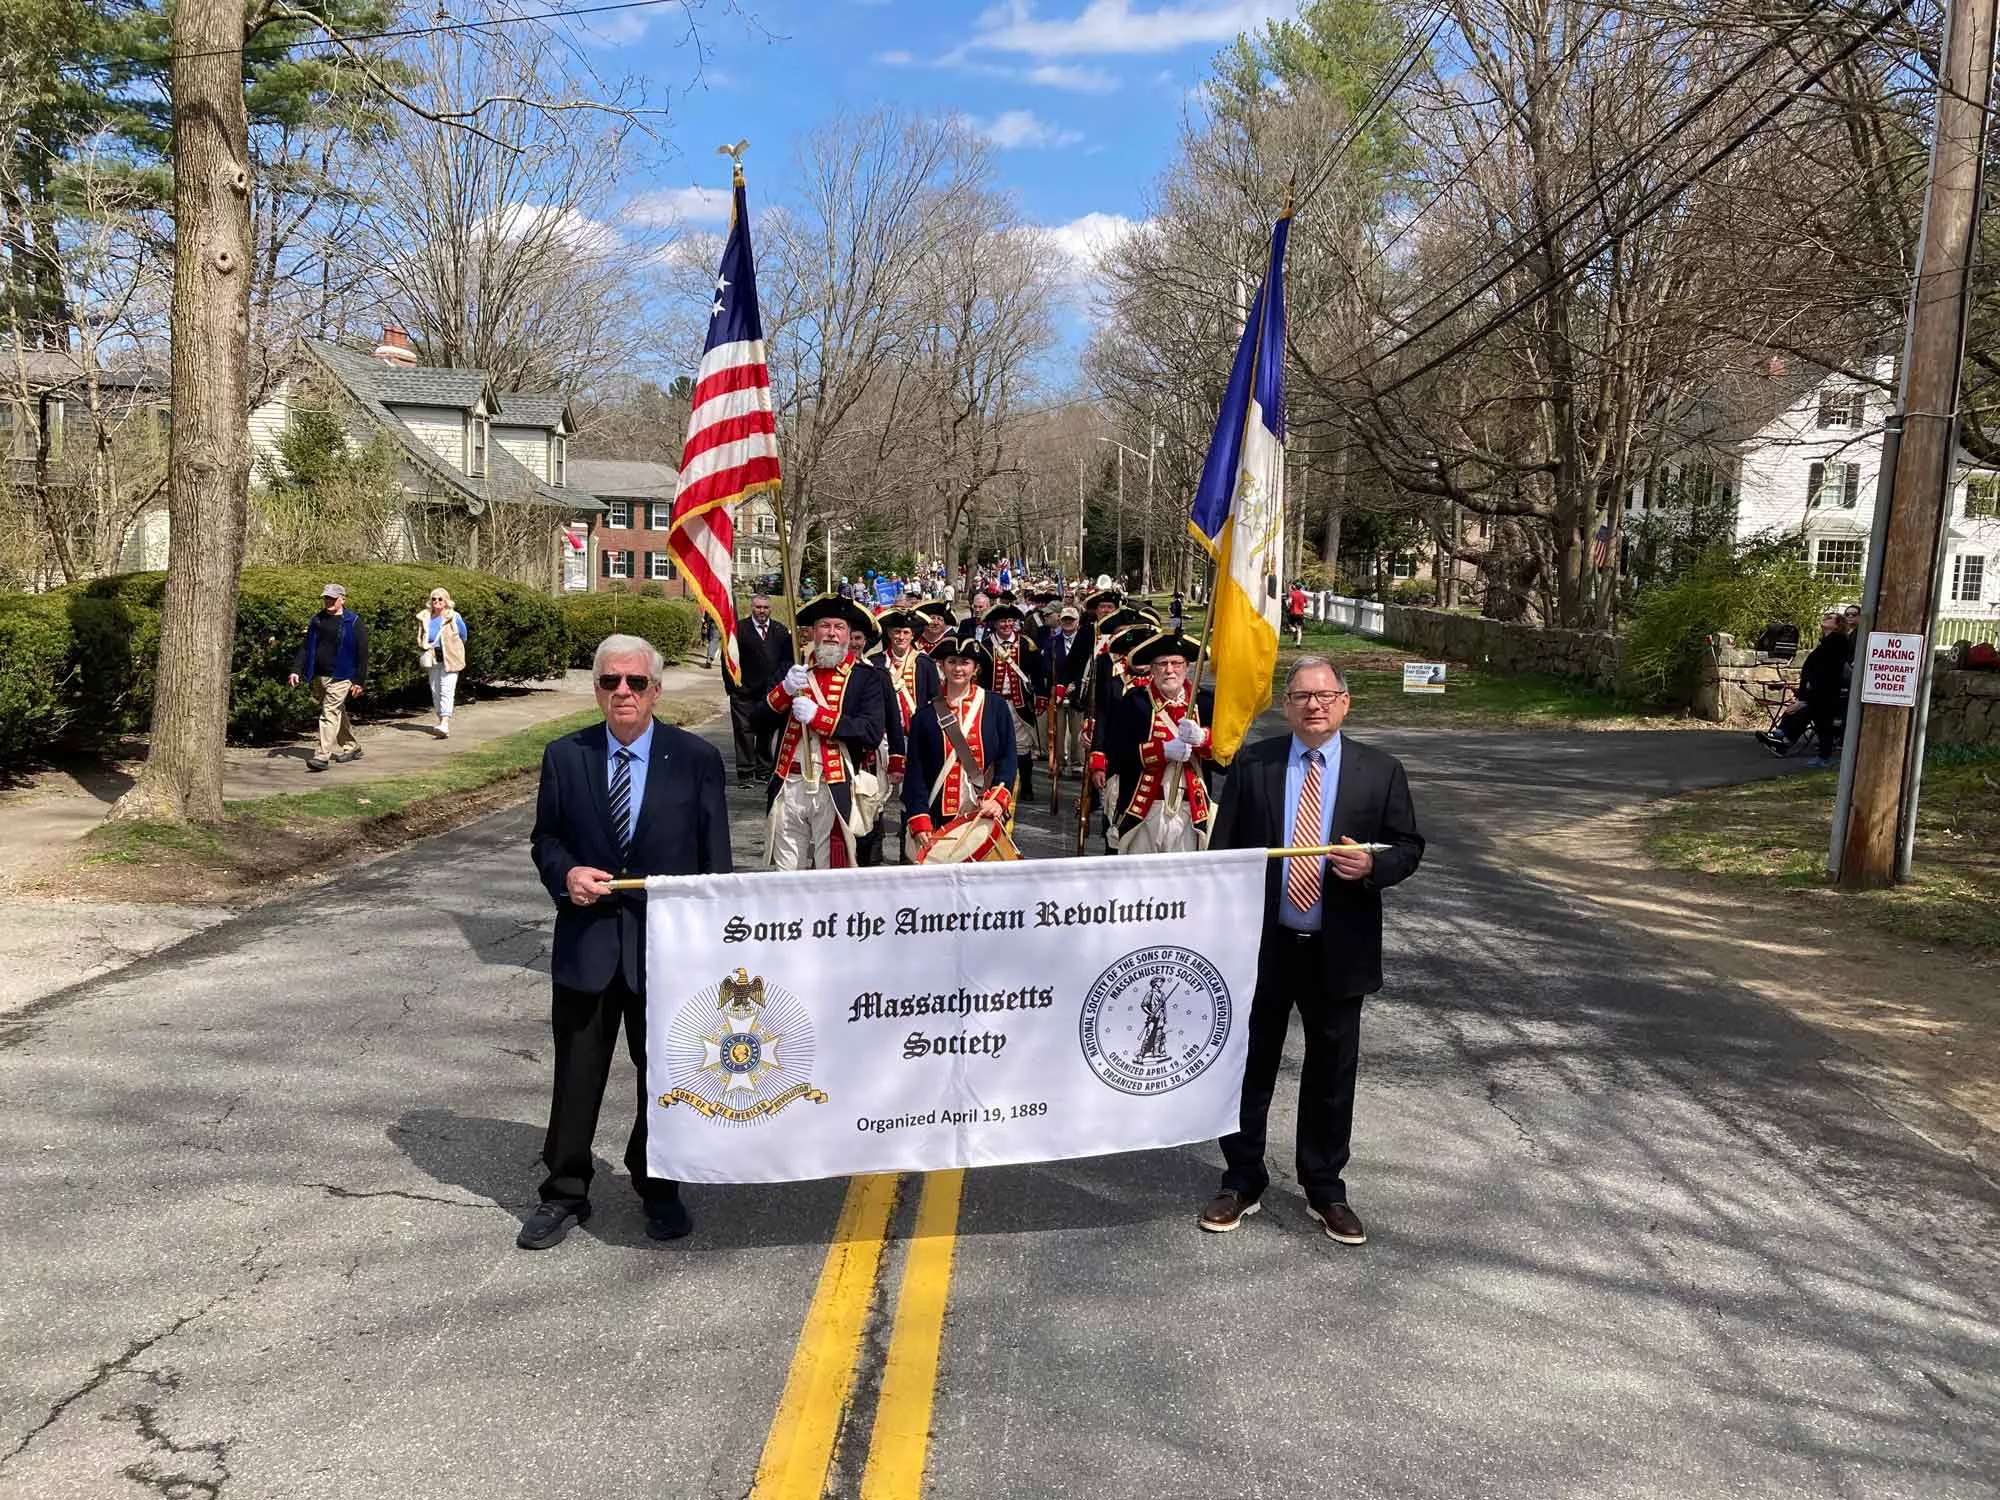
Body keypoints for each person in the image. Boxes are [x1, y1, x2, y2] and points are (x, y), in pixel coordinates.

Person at [1200, 656, 1424, 1246]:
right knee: (1250, 1068)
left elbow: (1409, 846)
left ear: (1345, 703)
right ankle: (1242, 1178)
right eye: (1301, 696)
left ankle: (1324, 1187)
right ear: (1286, 705)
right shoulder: (1255, 763)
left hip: (1339, 947)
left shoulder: (1380, 771)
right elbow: (1226, 857)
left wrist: (1375, 865)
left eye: (1326, 696)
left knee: (1331, 1074)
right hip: (1264, 948)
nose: (1315, 705)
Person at [522, 634, 731, 1250]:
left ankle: (657, 1182)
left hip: (665, 954)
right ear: (596, 689)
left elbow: (714, 866)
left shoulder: (695, 760)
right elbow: (546, 839)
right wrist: (565, 874)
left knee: (663, 1077)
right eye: (610, 681)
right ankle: (564, 1191)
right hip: (588, 946)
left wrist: (710, 949)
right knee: (577, 1073)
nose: (622, 693)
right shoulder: (566, 756)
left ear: (656, 691)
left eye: (635, 683)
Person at [753, 595, 888, 869]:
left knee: (832, 870)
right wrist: (785, 691)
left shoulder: (866, 677)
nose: (831, 633)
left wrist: (820, 717)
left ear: (849, 635)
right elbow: (757, 721)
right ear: (813, 632)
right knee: (786, 871)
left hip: (833, 786)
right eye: (824, 626)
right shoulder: (791, 670)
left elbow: (871, 732)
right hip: (789, 784)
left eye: (839, 627)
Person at [1099, 631, 1215, 854]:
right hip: (1144, 810)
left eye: (1176, 663)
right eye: (1162, 664)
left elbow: (1226, 762)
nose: (1169, 670)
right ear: (1152, 669)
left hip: (1190, 810)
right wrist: (1162, 751)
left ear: (1187, 666)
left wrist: (1204, 739)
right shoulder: (1133, 703)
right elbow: (1117, 755)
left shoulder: (1204, 702)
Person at [902, 637, 1017, 857]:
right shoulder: (924, 717)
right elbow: (915, 772)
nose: (958, 668)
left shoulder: (996, 707)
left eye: (965, 662)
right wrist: (919, 815)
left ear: (976, 668)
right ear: (942, 666)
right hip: (939, 814)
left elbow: (1008, 758)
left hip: (983, 811)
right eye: (952, 661)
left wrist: (998, 798)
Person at [288, 583, 369, 772]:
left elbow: (363, 653)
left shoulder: (353, 621)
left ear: (342, 599)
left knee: (329, 713)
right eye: (326, 598)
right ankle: (352, 746)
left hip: (342, 676)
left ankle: (321, 756)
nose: (328, 602)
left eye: (332, 598)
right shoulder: (317, 620)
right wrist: (296, 669)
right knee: (336, 710)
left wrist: (359, 680)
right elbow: (306, 647)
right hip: (320, 676)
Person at [1758, 611, 1846, 765]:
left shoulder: (1836, 641)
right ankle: (1781, 739)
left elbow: (1826, 671)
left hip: (1824, 691)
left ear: (1838, 625)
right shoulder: (1826, 642)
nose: (1825, 618)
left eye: (1830, 618)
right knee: (1805, 714)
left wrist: (1806, 698)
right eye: (1825, 616)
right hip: (1816, 690)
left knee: (1821, 722)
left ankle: (1817, 755)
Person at [730, 594, 794, 787]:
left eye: (765, 607)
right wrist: (732, 686)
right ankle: (746, 773)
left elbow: (787, 660)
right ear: (752, 608)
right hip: (744, 691)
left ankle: (764, 770)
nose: (762, 611)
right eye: (758, 607)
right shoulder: (739, 630)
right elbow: (729, 660)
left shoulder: (780, 631)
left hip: (770, 693)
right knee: (744, 732)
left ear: (770, 609)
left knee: (766, 733)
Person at [985, 602, 1043, 801]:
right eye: (1002, 621)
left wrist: (1042, 695)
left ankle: (1026, 785)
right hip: (993, 706)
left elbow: (1038, 672)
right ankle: (996, 786)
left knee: (1022, 747)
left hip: (1019, 704)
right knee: (994, 744)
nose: (1007, 624)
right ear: (994, 624)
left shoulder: (1027, 644)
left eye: (1010, 621)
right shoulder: (985, 645)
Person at [1043, 604, 1090, 775]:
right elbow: (1047, 665)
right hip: (1058, 691)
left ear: (1078, 621)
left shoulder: (1085, 642)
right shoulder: (1053, 642)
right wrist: (1060, 685)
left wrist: (1076, 685)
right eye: (1065, 619)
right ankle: (1058, 762)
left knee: (1078, 728)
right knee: (1057, 729)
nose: (1068, 622)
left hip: (1078, 690)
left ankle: (1077, 762)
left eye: (1072, 619)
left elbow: (1086, 665)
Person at [416, 587, 467, 739]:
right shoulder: (425, 617)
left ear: (446, 601)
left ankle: (445, 722)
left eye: (440, 599)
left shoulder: (454, 616)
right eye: (434, 599)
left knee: (446, 689)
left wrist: (453, 647)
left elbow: (464, 635)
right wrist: (424, 645)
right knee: (435, 690)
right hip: (433, 657)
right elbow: (420, 636)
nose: (437, 601)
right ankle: (441, 722)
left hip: (450, 657)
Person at [1285, 581, 1310, 646]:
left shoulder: (1292, 594)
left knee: (1290, 625)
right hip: (1300, 613)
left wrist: (1288, 606)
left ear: (1295, 587)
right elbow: (1307, 605)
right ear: (1300, 588)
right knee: (1300, 629)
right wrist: (1302, 606)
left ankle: (1294, 630)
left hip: (1293, 612)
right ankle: (1298, 643)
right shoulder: (1303, 595)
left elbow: (1290, 602)